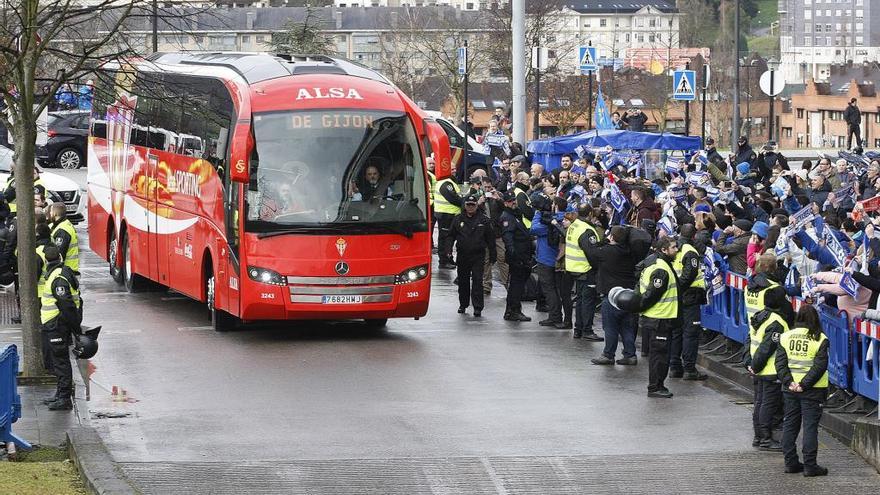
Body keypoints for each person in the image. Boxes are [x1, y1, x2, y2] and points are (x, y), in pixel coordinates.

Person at [776, 304, 829, 476]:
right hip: (813, 390)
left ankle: (790, 463)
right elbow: (819, 366)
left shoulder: (785, 337)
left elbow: (780, 364)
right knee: (810, 428)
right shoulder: (820, 339)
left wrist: (790, 382)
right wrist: (804, 384)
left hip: (789, 389)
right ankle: (810, 466)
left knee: (790, 425)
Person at [633, 236, 680, 397]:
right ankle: (655, 387)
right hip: (659, 318)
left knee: (660, 354)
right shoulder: (661, 269)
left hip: (660, 317)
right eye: (674, 247)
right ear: (664, 250)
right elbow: (651, 294)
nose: (677, 250)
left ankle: (658, 385)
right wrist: (639, 307)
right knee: (659, 356)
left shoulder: (658, 263)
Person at [588, 225, 640, 365]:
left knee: (610, 326)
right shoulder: (631, 252)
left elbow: (590, 252)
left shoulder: (607, 251)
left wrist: (603, 241)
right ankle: (630, 354)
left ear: (612, 237)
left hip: (612, 295)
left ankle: (608, 354)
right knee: (626, 326)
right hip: (629, 295)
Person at [40, 244, 82, 411]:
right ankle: (60, 394)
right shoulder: (59, 272)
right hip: (54, 324)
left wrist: (76, 330)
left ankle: (64, 398)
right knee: (57, 361)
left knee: (61, 361)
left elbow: (66, 305)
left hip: (57, 325)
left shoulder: (58, 278)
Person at [668, 224, 708, 380]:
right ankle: (689, 369)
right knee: (690, 333)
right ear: (694, 236)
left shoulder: (674, 248)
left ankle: (674, 366)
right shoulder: (690, 252)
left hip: (677, 296)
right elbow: (689, 275)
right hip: (689, 296)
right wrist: (679, 288)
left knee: (677, 332)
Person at [451, 194, 495, 317]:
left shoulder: (484, 220)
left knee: (477, 281)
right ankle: (463, 304)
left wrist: (493, 255)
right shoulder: (458, 219)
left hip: (478, 255)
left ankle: (478, 307)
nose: (470, 207)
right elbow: (451, 236)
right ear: (465, 206)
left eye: (473, 205)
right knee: (463, 281)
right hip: (463, 255)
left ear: (476, 205)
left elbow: (490, 239)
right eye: (468, 205)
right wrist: (448, 251)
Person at [564, 203, 603, 340]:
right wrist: (598, 268)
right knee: (587, 301)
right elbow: (592, 253)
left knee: (580, 300)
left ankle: (578, 329)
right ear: (590, 214)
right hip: (586, 269)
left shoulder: (574, 225)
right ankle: (587, 330)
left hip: (574, 268)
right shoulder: (587, 230)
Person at [530, 194, 565, 328]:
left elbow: (534, 229)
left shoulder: (551, 222)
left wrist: (538, 213)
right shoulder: (564, 219)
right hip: (557, 259)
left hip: (547, 259)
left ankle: (555, 316)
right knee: (555, 289)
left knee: (549, 289)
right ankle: (557, 316)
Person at [500, 191, 533, 322]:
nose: (513, 202)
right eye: (510, 201)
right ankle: (514, 310)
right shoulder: (507, 217)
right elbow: (508, 239)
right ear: (505, 203)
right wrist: (515, 256)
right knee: (516, 285)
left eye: (514, 200)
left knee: (517, 284)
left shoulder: (515, 215)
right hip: (518, 257)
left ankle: (512, 310)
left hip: (523, 255)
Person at [434, 165, 463, 269]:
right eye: (452, 169)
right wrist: (464, 202)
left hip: (449, 214)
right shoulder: (446, 183)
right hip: (446, 215)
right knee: (445, 238)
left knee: (449, 238)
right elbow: (454, 198)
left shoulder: (449, 181)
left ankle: (448, 258)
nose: (455, 171)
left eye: (455, 168)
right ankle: (444, 261)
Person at [48, 203, 79, 275]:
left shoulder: (62, 230)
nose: (50, 213)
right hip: (67, 270)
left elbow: (59, 254)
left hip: (65, 271)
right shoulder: (62, 224)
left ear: (55, 213)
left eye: (51, 212)